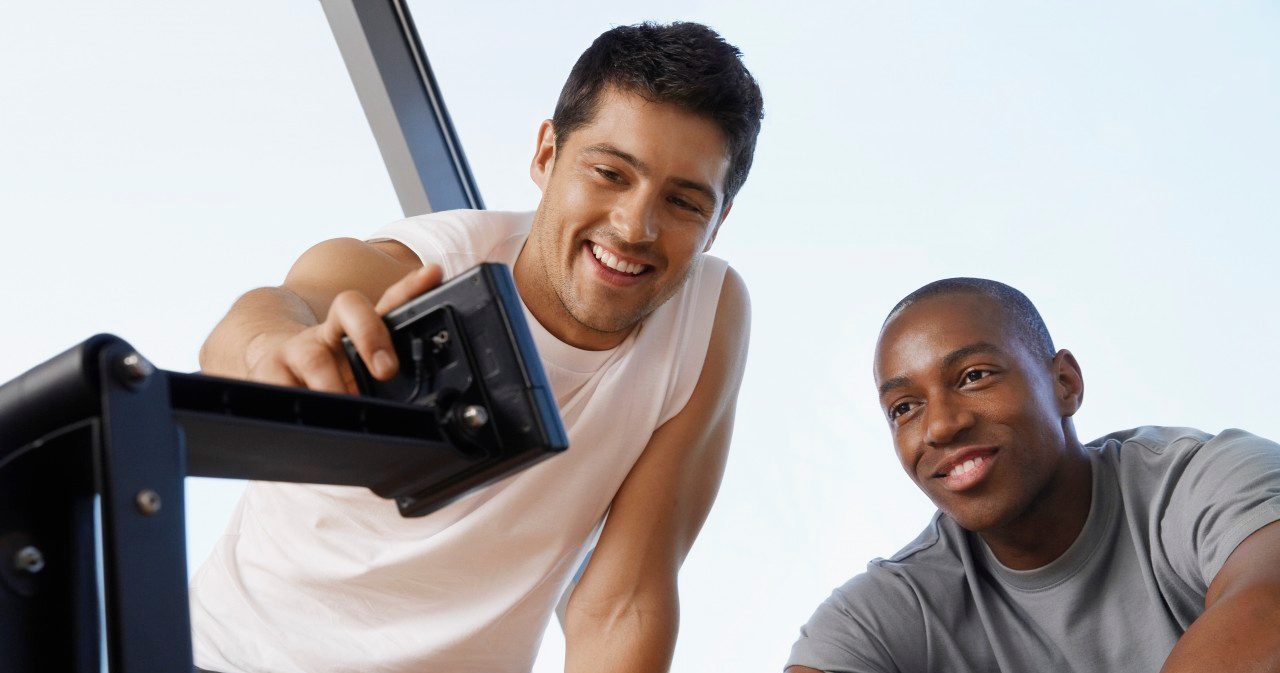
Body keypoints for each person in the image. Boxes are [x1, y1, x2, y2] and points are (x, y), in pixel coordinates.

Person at [190, 22, 762, 673]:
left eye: (684, 202)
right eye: (609, 172)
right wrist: (273, 348)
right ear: (547, 155)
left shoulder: (707, 316)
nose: (635, 226)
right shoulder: (436, 263)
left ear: (718, 222)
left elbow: (622, 600)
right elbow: (272, 311)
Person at [786, 278, 1280, 673]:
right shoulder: (882, 614)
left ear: (1064, 383)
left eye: (974, 376)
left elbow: (1269, 608)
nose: (940, 426)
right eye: (904, 408)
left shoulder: (1212, 478)